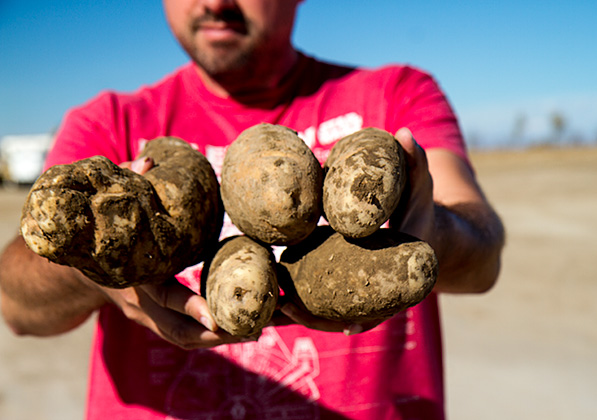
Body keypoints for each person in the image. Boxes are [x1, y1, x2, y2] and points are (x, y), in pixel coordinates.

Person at [0, 0, 505, 419]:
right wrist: (99, 268)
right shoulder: (110, 123)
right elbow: (15, 305)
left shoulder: (397, 94)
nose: (215, 3)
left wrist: (433, 230)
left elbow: (483, 256)